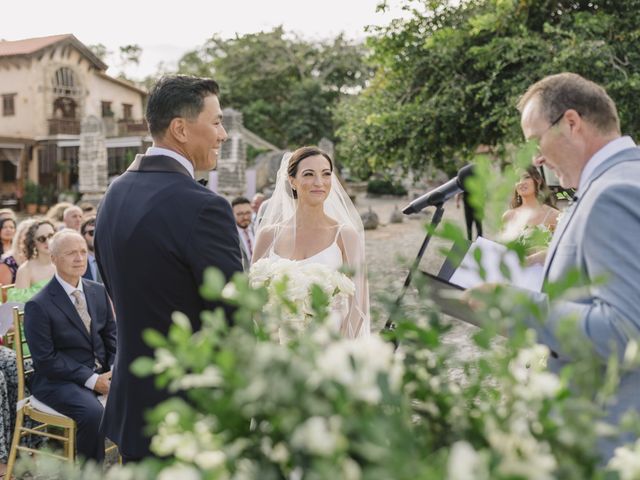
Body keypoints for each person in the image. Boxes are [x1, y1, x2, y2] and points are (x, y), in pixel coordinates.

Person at [95, 75, 243, 462]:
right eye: (216, 122)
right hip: (187, 412)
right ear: (180, 128)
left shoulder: (113, 194)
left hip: (132, 404)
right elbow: (233, 319)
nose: (223, 134)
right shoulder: (205, 207)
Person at [515, 72, 640, 461]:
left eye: (536, 140)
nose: (536, 158)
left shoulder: (613, 192)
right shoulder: (618, 178)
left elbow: (627, 330)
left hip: (607, 439)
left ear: (572, 122)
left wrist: (518, 308)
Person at [252, 146, 370, 339]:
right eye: (308, 174)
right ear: (292, 181)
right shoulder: (268, 236)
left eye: (326, 174)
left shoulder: (345, 236)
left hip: (329, 351)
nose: (319, 182)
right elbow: (254, 300)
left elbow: (359, 305)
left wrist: (337, 350)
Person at [24, 229, 116, 462]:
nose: (79, 258)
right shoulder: (38, 305)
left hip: (102, 372)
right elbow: (45, 360)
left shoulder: (97, 290)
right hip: (56, 380)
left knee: (142, 390)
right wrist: (93, 380)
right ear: (54, 258)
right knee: (93, 413)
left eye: (83, 252)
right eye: (71, 253)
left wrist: (115, 370)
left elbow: (111, 336)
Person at [501, 166, 559, 265]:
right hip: (518, 275)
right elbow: (502, 252)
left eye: (526, 177)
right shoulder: (508, 217)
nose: (521, 182)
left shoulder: (554, 215)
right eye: (517, 180)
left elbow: (564, 252)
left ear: (538, 180)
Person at [9, 220, 56, 302]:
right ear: (33, 243)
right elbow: (20, 306)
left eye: (51, 236)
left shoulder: (63, 264)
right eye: (42, 239)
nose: (48, 241)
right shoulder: (25, 270)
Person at [0, 219, 36, 286]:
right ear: (19, 237)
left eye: (11, 227)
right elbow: (4, 293)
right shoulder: (8, 261)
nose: (32, 238)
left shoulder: (45, 259)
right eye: (29, 235)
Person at [231, 197, 255, 271]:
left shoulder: (258, 230)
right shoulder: (230, 234)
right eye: (240, 214)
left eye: (248, 213)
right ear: (232, 214)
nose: (245, 217)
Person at [81, 217, 101, 283]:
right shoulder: (78, 262)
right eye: (91, 232)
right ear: (83, 236)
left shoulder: (112, 259)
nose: (95, 236)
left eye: (98, 232)